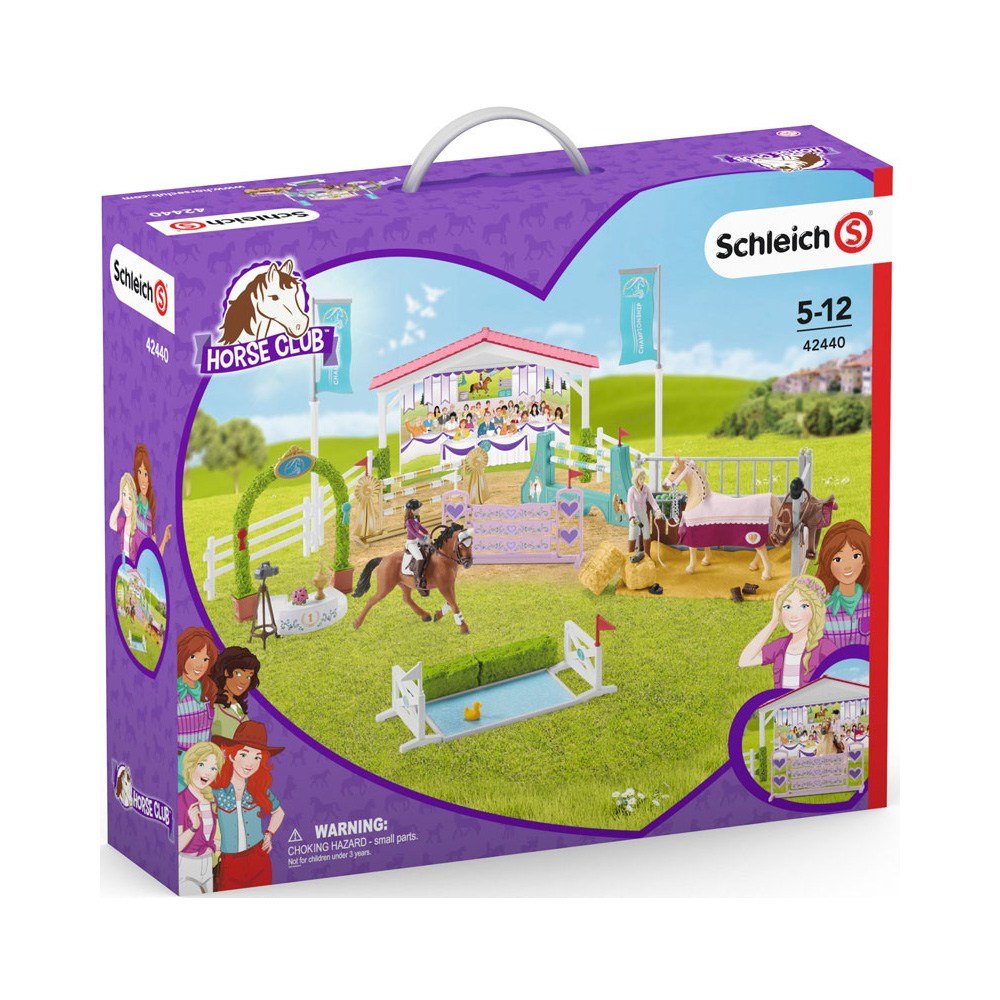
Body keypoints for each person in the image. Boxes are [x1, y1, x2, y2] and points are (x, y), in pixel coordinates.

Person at [211, 721, 285, 892]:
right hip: (229, 861)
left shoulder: (258, 788)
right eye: (244, 755)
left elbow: (279, 812)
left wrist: (269, 834)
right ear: (232, 755)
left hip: (258, 858)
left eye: (257, 757)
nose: (250, 763)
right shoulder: (217, 789)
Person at [738, 575, 836, 689]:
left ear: (815, 610)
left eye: (803, 606)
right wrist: (774, 621)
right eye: (787, 606)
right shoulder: (781, 646)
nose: (793, 615)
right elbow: (745, 660)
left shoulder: (824, 647)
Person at [177, 741, 224, 895]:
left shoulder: (210, 800)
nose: (207, 773)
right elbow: (177, 845)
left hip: (207, 863)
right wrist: (193, 827)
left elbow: (210, 837)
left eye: (213, 768)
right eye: (202, 765)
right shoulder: (181, 800)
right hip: (188, 864)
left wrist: (220, 846)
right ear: (191, 766)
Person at [816, 519, 872, 648]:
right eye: (838, 559)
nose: (847, 566)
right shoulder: (821, 607)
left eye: (855, 556)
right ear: (828, 563)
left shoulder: (871, 603)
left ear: (865, 559)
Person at [177, 627, 219, 784]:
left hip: (204, 764)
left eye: (205, 659)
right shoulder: (173, 691)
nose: (200, 665)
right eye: (193, 656)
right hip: (179, 762)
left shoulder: (208, 689)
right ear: (182, 655)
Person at [210, 646, 261, 740]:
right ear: (226, 671)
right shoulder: (214, 707)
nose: (243, 681)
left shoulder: (237, 704)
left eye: (248, 677)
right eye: (238, 673)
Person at [133, 443, 172, 556]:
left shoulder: (149, 512)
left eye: (145, 474)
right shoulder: (133, 504)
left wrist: (164, 539)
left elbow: (155, 557)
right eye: (140, 472)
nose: (143, 479)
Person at [626, 468, 666, 562]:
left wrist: (657, 510)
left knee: (646, 533)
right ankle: (630, 556)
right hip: (635, 517)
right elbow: (629, 505)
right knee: (633, 533)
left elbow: (652, 500)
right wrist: (631, 517)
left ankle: (648, 556)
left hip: (643, 515)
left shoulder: (646, 488)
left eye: (643, 478)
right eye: (640, 479)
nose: (642, 480)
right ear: (636, 479)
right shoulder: (632, 490)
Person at [108, 473, 141, 563]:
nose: (126, 503)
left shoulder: (138, 526)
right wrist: (120, 501)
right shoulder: (123, 522)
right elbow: (111, 524)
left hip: (135, 569)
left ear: (134, 500)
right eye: (124, 494)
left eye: (130, 498)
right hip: (125, 568)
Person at [402, 498, 430, 595]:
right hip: (411, 543)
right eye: (418, 508)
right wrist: (424, 538)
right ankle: (418, 579)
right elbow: (415, 533)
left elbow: (421, 528)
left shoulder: (415, 519)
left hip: (417, 540)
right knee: (419, 558)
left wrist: (427, 533)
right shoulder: (408, 522)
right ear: (412, 510)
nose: (419, 510)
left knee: (430, 548)